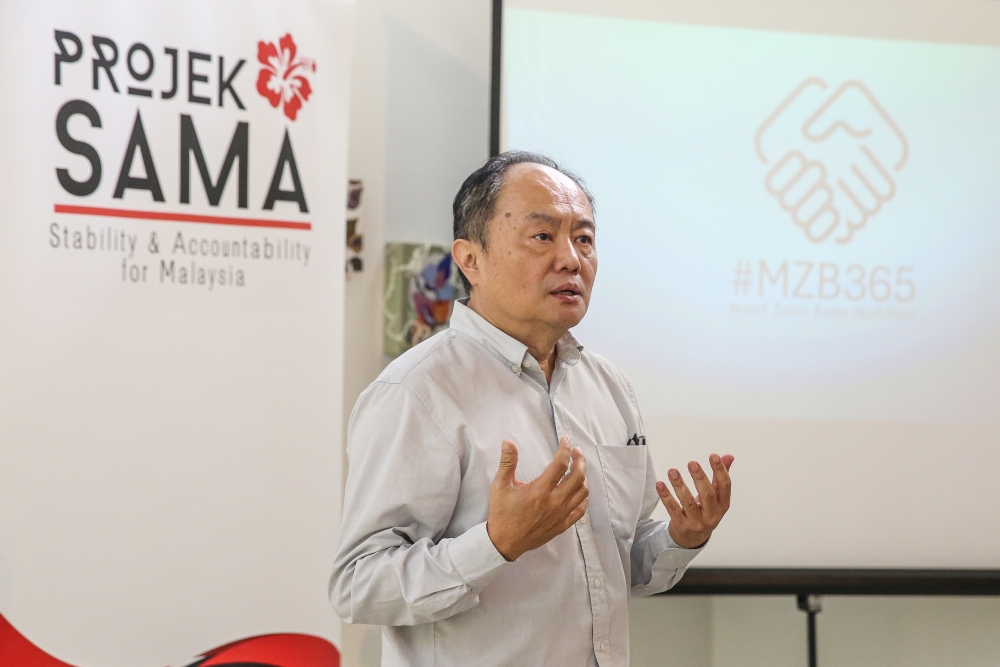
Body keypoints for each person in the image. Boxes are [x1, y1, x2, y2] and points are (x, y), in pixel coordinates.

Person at [330, 151, 734, 666]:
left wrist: (681, 537)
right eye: (543, 236)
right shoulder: (417, 392)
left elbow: (616, 562)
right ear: (470, 259)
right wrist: (497, 543)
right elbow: (358, 585)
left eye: (584, 238)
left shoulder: (608, 386)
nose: (570, 259)